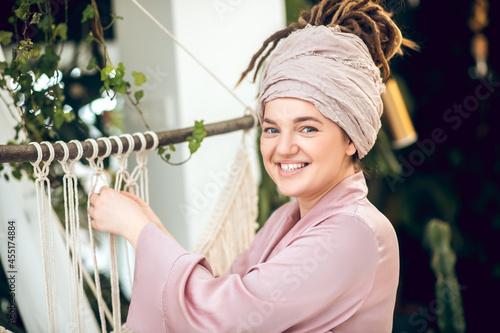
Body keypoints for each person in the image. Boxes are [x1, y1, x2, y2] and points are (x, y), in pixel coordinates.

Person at [88, 0, 416, 331]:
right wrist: (152, 229)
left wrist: (137, 229)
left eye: (307, 128)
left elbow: (227, 320)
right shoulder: (286, 219)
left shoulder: (352, 233)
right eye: (272, 128)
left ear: (351, 139)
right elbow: (222, 292)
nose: (283, 148)